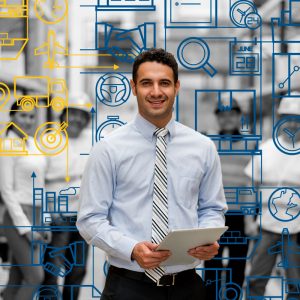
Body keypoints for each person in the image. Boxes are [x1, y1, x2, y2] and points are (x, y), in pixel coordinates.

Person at [76, 48, 227, 300]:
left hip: (188, 288)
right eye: (147, 83)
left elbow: (212, 208)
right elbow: (90, 219)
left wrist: (207, 237)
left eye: (164, 83)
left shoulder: (202, 147)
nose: (156, 92)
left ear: (176, 87)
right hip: (128, 287)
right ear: (134, 87)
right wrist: (132, 249)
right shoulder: (108, 149)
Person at [245, 96, 300, 298]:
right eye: (288, 118)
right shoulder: (265, 150)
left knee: (296, 285)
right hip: (265, 228)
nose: (293, 123)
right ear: (279, 119)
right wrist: (248, 220)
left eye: (297, 118)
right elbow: (251, 187)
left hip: (295, 231)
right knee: (256, 281)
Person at [41, 93, 92, 299]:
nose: (77, 120)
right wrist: (44, 217)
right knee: (52, 270)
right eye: (73, 114)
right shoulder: (47, 141)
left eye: (82, 116)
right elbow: (39, 182)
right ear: (63, 116)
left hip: (83, 217)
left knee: (78, 269)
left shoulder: (92, 141)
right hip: (57, 217)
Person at [0, 101, 47, 300]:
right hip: (18, 216)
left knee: (16, 278)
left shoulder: (32, 143)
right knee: (35, 277)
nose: (27, 121)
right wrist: (26, 228)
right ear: (12, 117)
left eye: (31, 116)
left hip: (36, 213)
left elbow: (41, 185)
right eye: (23, 116)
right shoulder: (8, 145)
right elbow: (6, 190)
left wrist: (44, 220)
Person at [204, 98, 251, 299]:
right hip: (214, 215)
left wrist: (250, 219)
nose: (227, 119)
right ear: (217, 118)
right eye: (222, 115)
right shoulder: (208, 144)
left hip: (241, 215)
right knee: (211, 262)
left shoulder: (252, 144)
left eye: (232, 114)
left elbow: (253, 183)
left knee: (237, 263)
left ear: (239, 116)